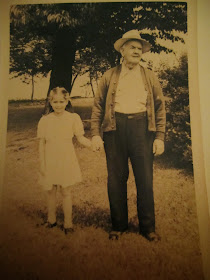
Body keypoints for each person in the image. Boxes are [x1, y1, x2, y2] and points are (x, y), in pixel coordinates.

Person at [91, 30, 166, 241]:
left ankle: (148, 228)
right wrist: (96, 134)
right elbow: (98, 106)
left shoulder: (149, 75)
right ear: (122, 50)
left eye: (139, 48)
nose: (137, 51)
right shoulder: (110, 75)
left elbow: (160, 107)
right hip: (114, 131)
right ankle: (118, 225)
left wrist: (159, 136)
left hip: (142, 129)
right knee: (116, 179)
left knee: (145, 180)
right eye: (132, 47)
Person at [37, 87, 91, 234]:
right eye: (55, 102)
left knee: (66, 191)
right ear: (50, 102)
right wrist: (42, 163)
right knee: (51, 191)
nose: (58, 105)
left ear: (67, 101)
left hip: (66, 158)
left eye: (62, 101)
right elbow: (41, 144)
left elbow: (80, 138)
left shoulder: (73, 118)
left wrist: (92, 145)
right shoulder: (45, 120)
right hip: (50, 159)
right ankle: (51, 220)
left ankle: (68, 224)